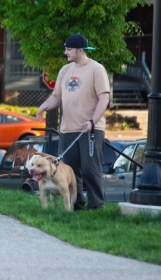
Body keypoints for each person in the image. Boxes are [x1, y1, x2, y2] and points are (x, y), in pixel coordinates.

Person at [36, 34, 110, 211]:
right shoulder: (65, 71)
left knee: (90, 169)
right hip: (68, 129)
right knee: (70, 170)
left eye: (68, 49)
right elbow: (57, 97)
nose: (65, 52)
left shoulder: (96, 69)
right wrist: (44, 106)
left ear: (80, 50)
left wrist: (93, 121)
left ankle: (96, 205)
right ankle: (77, 205)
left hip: (90, 129)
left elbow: (104, 98)